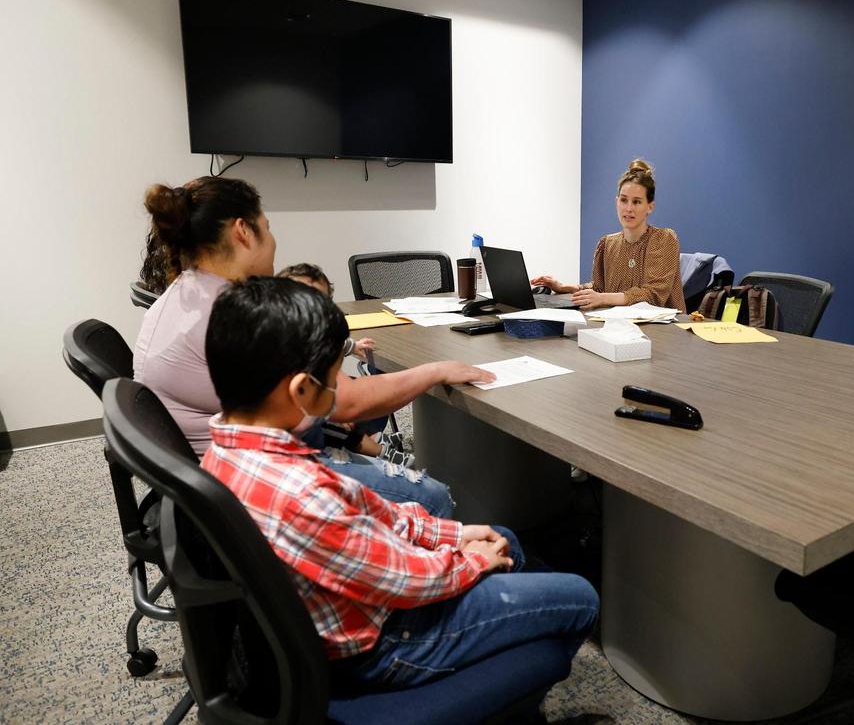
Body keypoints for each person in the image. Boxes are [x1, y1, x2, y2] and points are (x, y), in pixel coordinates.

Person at [202, 276, 598, 692]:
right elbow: (408, 581)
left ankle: (502, 665)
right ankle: (494, 687)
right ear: (301, 389)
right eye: (334, 380)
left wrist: (455, 533)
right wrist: (472, 560)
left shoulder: (227, 447)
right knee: (580, 598)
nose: (340, 390)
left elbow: (371, 516)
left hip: (352, 605)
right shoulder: (303, 493)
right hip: (384, 644)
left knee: (504, 541)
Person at [133, 176, 490, 516]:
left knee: (364, 401)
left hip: (211, 472)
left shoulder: (185, 293)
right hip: (248, 487)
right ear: (243, 231)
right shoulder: (233, 313)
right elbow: (345, 400)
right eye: (267, 227)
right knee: (432, 498)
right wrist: (436, 370)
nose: (273, 241)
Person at [531, 159, 685, 311]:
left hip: (664, 330)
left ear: (650, 207)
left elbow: (653, 296)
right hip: (619, 327)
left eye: (637, 202)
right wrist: (564, 287)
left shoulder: (664, 240)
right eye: (624, 200)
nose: (629, 208)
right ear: (617, 202)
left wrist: (603, 298)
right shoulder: (608, 243)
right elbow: (599, 288)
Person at [278, 262, 385, 458]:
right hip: (305, 434)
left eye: (320, 301)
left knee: (373, 390)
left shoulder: (318, 332)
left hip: (320, 408)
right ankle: (372, 448)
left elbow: (332, 343)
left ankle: (372, 439)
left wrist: (353, 346)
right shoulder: (280, 342)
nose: (311, 308)